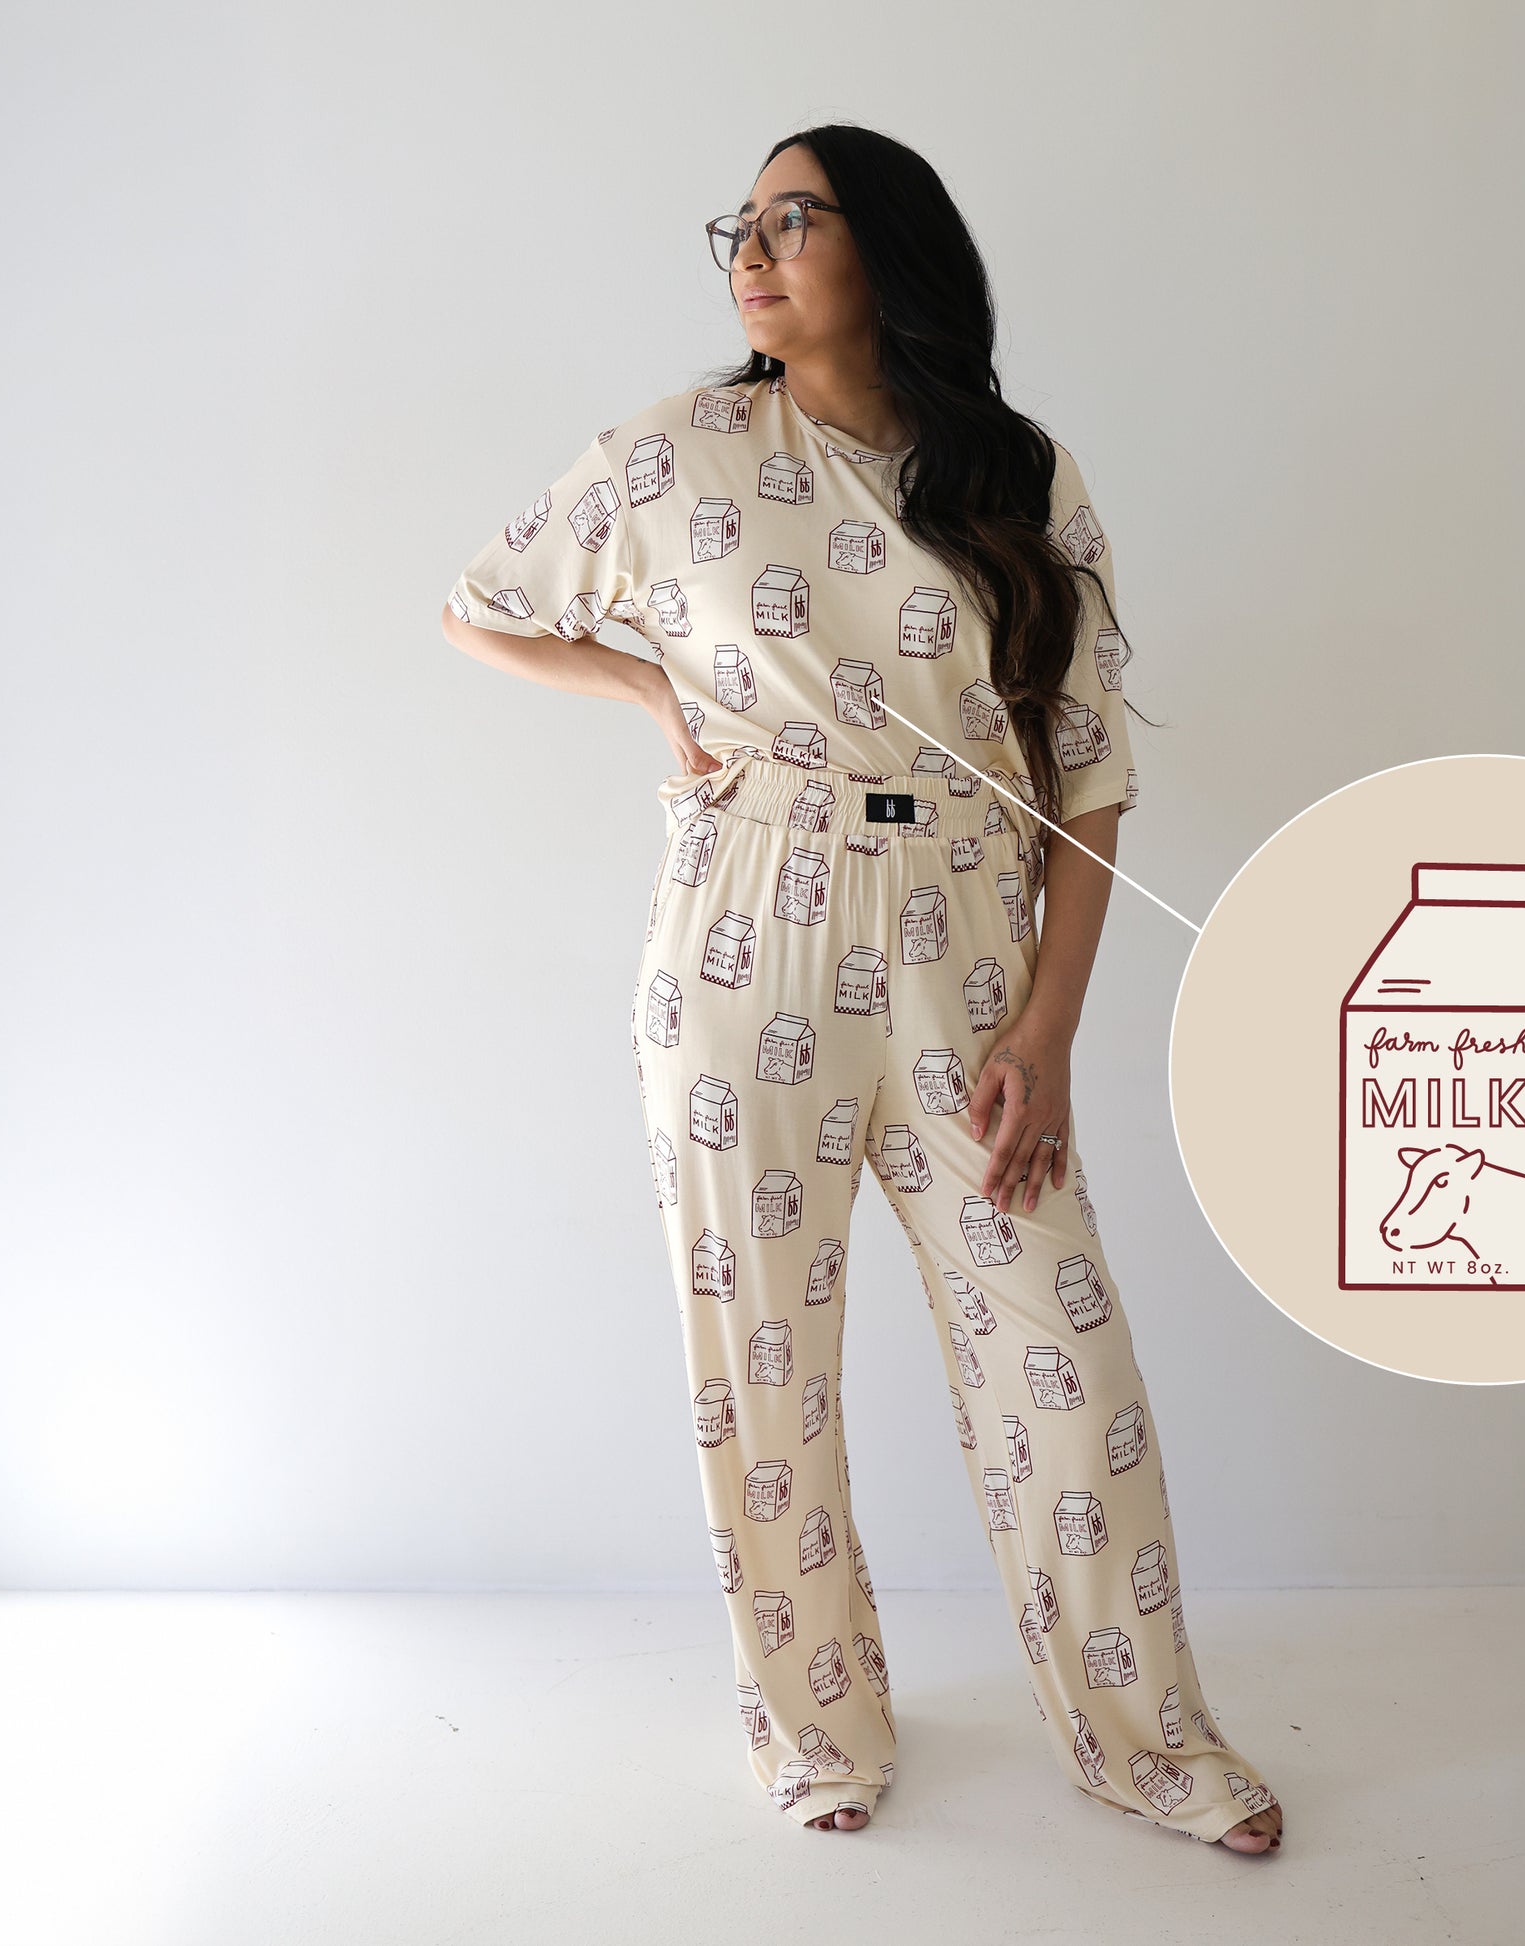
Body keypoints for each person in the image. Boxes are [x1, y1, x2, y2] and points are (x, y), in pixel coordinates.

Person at [440, 123, 1284, 1856]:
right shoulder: (674, 454)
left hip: (968, 945)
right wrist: (652, 709)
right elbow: (477, 608)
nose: (748, 249)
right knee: (761, 1355)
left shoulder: (1015, 475)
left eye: (791, 217)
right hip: (748, 922)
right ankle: (816, 1728)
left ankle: (1148, 1740)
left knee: (1057, 1345)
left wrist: (1045, 1031)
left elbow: (1090, 770)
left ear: (885, 251)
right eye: (735, 225)